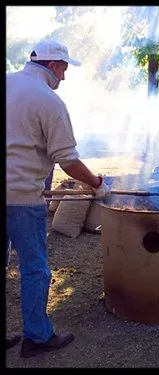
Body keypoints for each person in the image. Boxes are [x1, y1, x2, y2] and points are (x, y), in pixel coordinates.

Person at [6, 40, 111, 357]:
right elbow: (67, 159)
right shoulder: (48, 101)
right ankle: (37, 337)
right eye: (64, 68)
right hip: (22, 198)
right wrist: (96, 184)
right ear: (53, 65)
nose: (64, 76)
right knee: (35, 269)